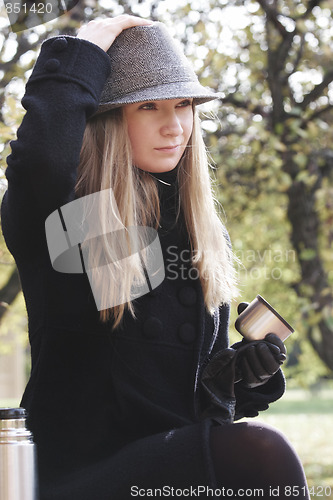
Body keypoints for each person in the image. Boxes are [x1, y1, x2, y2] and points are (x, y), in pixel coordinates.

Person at [1, 14, 309, 500]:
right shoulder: (72, 218)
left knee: (253, 454)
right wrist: (83, 49)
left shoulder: (198, 229)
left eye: (183, 104)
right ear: (107, 117)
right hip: (80, 474)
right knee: (261, 455)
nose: (173, 126)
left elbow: (181, 403)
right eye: (148, 106)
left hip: (169, 469)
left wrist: (238, 379)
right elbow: (40, 161)